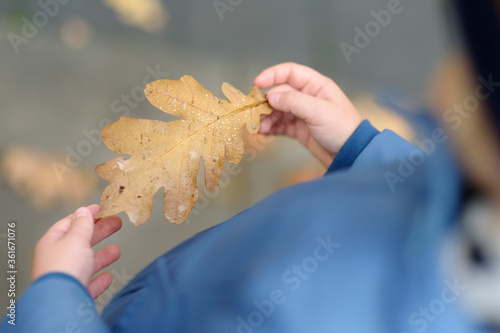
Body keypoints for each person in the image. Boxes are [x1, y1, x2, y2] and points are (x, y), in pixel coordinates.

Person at [3, 1, 500, 331]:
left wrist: (51, 305)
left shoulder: (305, 315)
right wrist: (364, 153)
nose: (451, 64)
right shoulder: (467, 199)